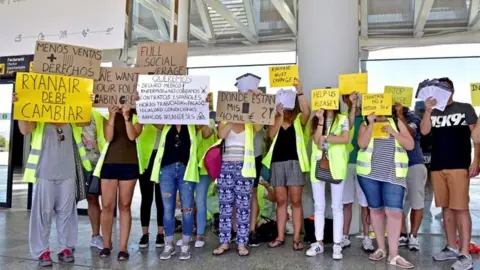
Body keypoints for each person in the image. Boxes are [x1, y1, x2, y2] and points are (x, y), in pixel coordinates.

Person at [16, 92, 92, 267]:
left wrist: (87, 102)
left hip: (67, 171)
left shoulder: (71, 113)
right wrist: (19, 106)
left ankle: (65, 247)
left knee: (67, 212)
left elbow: (85, 121)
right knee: (43, 213)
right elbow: (24, 129)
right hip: (44, 171)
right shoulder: (39, 113)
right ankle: (42, 251)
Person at [421, 78, 479, 270]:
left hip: (458, 165)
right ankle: (451, 247)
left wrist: (476, 161)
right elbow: (424, 131)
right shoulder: (433, 111)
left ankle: (465, 253)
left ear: (451, 91)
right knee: (445, 208)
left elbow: (477, 138)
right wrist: (428, 110)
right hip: (438, 166)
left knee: (461, 208)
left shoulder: (465, 108)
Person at [209, 90, 263, 257]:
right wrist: (232, 118)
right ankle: (224, 242)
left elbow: (261, 119)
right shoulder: (225, 122)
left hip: (245, 169)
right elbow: (221, 135)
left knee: (243, 208)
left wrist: (258, 99)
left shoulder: (250, 125)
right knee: (225, 206)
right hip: (225, 168)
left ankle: (241, 243)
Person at [357, 113, 414, 268]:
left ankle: (394, 254)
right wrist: (370, 124)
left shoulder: (396, 122)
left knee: (394, 212)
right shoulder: (365, 122)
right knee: (375, 210)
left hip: (393, 174)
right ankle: (381, 247)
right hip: (369, 174)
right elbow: (362, 144)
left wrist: (393, 132)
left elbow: (410, 145)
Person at [151, 123, 213, 260]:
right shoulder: (166, 124)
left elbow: (207, 133)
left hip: (186, 170)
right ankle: (169, 245)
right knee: (168, 209)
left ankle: (185, 244)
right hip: (166, 170)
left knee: (187, 209)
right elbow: (153, 120)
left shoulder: (192, 125)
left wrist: (202, 115)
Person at [264, 82, 311, 251]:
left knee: (296, 201)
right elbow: (270, 134)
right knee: (281, 201)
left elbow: (307, 112)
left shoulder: (299, 120)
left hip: (295, 164)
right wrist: (279, 116)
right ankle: (280, 236)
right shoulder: (274, 119)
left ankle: (297, 238)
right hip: (277, 164)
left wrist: (300, 92)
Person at [94, 105, 142, 261]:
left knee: (125, 205)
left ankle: (123, 248)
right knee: (107, 205)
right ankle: (106, 245)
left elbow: (132, 136)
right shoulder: (106, 112)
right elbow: (108, 137)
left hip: (129, 164)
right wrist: (113, 116)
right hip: (108, 163)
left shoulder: (139, 113)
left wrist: (127, 116)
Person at [305, 108, 349, 260]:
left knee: (337, 206)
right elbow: (317, 143)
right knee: (319, 206)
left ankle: (337, 244)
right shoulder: (316, 120)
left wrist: (327, 138)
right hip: (318, 165)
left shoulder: (343, 119)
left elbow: (345, 139)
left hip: (337, 166)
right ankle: (319, 243)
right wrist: (321, 120)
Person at [340, 93, 374, 251]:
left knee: (365, 204)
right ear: (344, 100)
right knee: (346, 203)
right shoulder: (343, 118)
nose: (352, 99)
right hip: (346, 164)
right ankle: (345, 236)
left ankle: (367, 237)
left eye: (354, 97)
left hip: (364, 164)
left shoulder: (369, 117)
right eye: (347, 97)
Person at [393, 104, 427, 251]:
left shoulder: (413, 117)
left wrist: (400, 116)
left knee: (416, 202)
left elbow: (411, 134)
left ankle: (413, 235)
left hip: (413, 164)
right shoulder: (388, 118)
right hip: (394, 165)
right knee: (395, 203)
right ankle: (402, 233)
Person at [82, 109, 107, 250]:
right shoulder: (72, 108)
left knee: (102, 200)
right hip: (80, 161)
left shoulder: (99, 111)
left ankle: (100, 236)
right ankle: (66, 241)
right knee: (89, 198)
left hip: (100, 161)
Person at [137, 124, 165, 249]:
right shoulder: (140, 111)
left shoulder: (165, 110)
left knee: (160, 198)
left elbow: (163, 126)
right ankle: (145, 234)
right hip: (145, 157)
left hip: (162, 155)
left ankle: (160, 233)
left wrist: (151, 119)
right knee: (146, 197)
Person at [248, 127, 266, 247]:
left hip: (255, 154)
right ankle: (235, 229)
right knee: (235, 192)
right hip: (237, 153)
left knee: (253, 191)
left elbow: (259, 125)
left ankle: (252, 229)